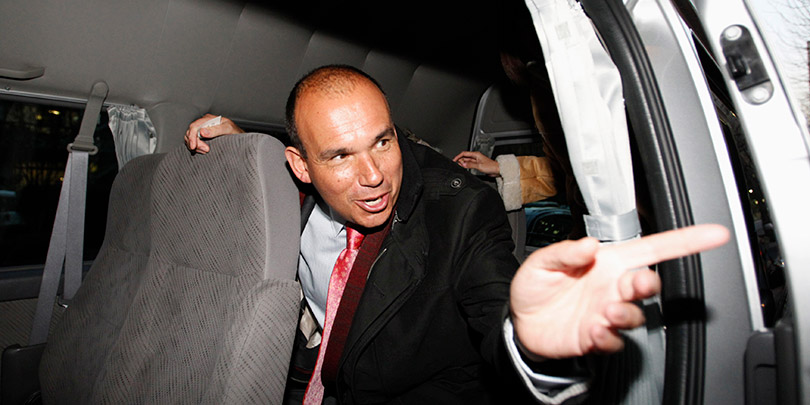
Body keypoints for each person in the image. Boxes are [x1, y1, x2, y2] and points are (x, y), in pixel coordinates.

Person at [185, 65, 729, 404]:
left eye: (382, 142)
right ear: (301, 167)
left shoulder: (464, 212)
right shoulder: (289, 189)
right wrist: (242, 149)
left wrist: (531, 345)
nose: (373, 176)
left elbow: (498, 317)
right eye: (341, 157)